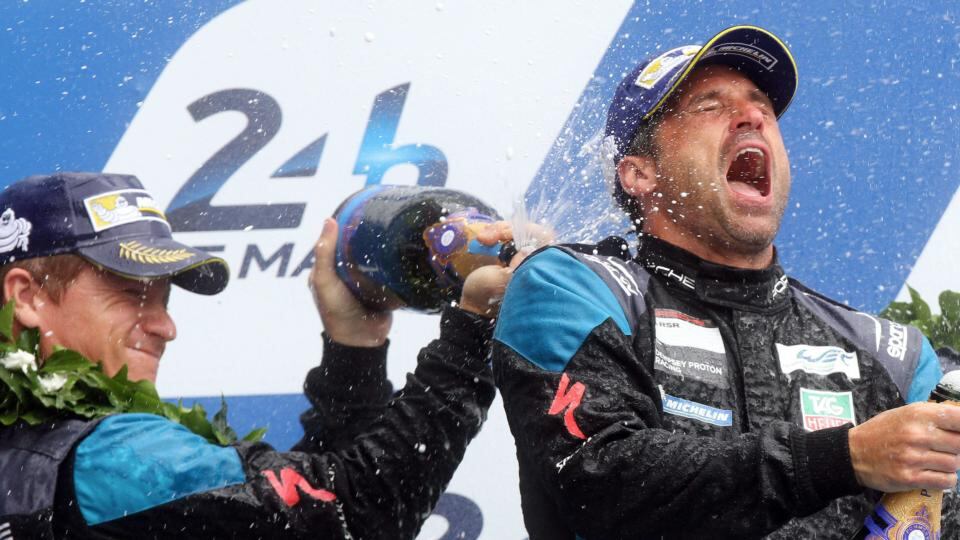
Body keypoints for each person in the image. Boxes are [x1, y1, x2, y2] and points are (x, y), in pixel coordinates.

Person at [492, 25, 960, 539]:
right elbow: (605, 480)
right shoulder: (576, 290)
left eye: (762, 105)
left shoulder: (894, 358)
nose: (753, 116)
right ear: (639, 174)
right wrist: (843, 458)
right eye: (710, 105)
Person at [0, 171, 515, 538]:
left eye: (165, 297)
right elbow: (352, 516)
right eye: (129, 294)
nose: (164, 326)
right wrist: (473, 333)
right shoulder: (108, 462)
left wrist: (354, 353)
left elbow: (302, 508)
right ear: (27, 296)